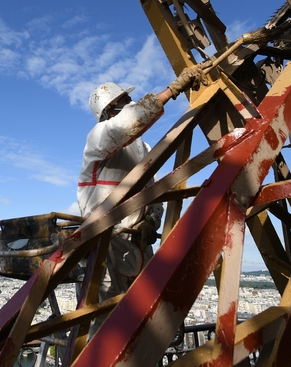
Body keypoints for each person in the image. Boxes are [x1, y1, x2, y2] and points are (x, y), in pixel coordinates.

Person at [76, 68, 204, 313]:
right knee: (104, 322)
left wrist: (151, 223)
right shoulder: (98, 138)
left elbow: (153, 193)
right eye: (123, 102)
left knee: (139, 317)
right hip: (106, 246)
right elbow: (126, 124)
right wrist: (172, 90)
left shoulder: (142, 148)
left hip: (138, 246)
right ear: (109, 112)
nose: (130, 104)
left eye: (128, 100)